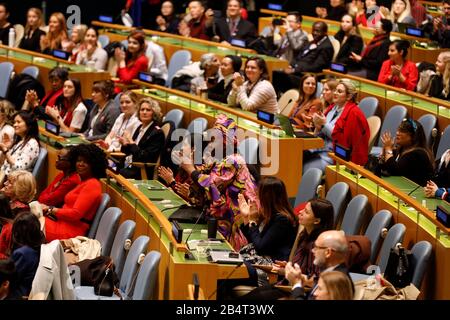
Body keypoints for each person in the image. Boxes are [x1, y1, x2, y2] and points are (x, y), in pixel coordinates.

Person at [179, 114, 258, 250]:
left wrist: (190, 168)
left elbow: (212, 185)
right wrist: (192, 165)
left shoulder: (233, 160)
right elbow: (203, 183)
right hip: (220, 220)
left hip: (237, 225)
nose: (211, 142)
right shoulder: (217, 159)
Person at [240, 198, 334, 300]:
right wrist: (287, 268)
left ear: (317, 220)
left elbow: (317, 281)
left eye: (306, 212)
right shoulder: (304, 235)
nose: (300, 212)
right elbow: (303, 268)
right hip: (286, 283)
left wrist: (290, 273)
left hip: (296, 290)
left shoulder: (318, 245)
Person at [41, 144, 107, 241]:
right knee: (26, 219)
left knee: (27, 224)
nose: (80, 164)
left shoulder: (92, 185)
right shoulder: (84, 181)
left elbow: (75, 214)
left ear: (94, 165)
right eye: (79, 160)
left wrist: (50, 209)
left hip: (70, 232)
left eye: (86, 162)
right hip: (60, 224)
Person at [304, 79, 370, 172]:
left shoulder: (354, 114)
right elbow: (321, 132)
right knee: (295, 156)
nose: (335, 93)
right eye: (335, 90)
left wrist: (323, 124)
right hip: (320, 148)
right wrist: (318, 126)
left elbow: (343, 142)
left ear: (349, 96)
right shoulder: (333, 108)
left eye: (339, 91)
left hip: (334, 156)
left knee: (305, 167)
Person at [238, 177, 298, 263]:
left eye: (258, 195)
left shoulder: (282, 219)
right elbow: (254, 241)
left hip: (272, 263)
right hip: (262, 258)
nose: (257, 198)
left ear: (266, 198)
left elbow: (261, 248)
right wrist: (246, 217)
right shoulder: (270, 215)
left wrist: (253, 222)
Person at [285, 230, 354, 300]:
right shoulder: (329, 272)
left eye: (316, 247)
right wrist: (303, 280)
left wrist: (297, 284)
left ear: (328, 252)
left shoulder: (339, 280)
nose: (312, 250)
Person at [272, 21, 333, 95]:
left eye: (317, 31)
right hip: (298, 72)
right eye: (313, 30)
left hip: (307, 77)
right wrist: (290, 65)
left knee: (283, 77)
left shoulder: (327, 47)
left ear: (325, 32)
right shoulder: (312, 42)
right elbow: (298, 57)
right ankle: (277, 98)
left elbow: (317, 66)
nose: (314, 33)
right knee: (275, 73)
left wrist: (294, 70)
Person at [119, 98, 165, 180]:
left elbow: (145, 157)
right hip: (131, 164)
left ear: (154, 113)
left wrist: (131, 142)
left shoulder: (157, 133)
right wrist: (125, 144)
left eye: (148, 110)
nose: (144, 112)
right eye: (142, 109)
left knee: (121, 173)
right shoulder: (140, 127)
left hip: (143, 170)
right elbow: (130, 151)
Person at [379, 118, 434, 186]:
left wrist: (388, 149)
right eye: (398, 130)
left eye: (402, 131)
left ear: (413, 136)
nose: (397, 133)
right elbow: (385, 166)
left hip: (418, 192)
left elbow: (394, 170)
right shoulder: (402, 148)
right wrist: (384, 151)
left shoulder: (418, 154)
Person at [9, 212, 44, 299]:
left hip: (19, 292)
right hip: (31, 287)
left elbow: (11, 279)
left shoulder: (22, 253)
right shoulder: (40, 240)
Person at [0, 111, 40, 178]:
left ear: (28, 124)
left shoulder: (32, 144)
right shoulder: (19, 141)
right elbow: (4, 164)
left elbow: (18, 169)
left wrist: (6, 151)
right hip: (4, 175)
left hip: (13, 182)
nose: (14, 125)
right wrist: (5, 150)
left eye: (18, 122)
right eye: (14, 122)